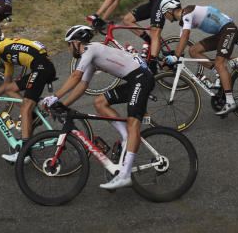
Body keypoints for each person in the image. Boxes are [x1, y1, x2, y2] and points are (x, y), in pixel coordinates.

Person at [41, 24, 154, 191]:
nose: (69, 48)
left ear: (76, 42)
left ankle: (125, 175)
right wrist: (62, 105)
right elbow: (82, 86)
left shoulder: (90, 50)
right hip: (133, 80)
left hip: (141, 79)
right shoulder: (92, 57)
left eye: (69, 44)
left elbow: (75, 76)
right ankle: (126, 137)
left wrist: (54, 96)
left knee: (133, 122)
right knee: (99, 102)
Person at [0, 24, 54, 162]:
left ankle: (24, 152)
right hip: (43, 66)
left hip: (41, 68)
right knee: (11, 90)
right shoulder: (7, 54)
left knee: (25, 106)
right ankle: (33, 111)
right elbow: (7, 85)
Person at [160, 0, 238, 115]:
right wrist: (171, 59)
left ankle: (230, 102)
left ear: (169, 10)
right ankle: (218, 73)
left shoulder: (187, 13)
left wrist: (176, 57)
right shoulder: (183, 21)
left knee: (220, 64)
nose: (164, 17)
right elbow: (182, 41)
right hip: (221, 33)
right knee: (193, 51)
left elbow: (186, 36)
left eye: (164, 14)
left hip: (228, 30)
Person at [89, 0, 169, 67]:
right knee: (127, 20)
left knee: (155, 31)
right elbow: (116, 2)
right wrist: (102, 20)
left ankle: (152, 63)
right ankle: (151, 42)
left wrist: (96, 15)